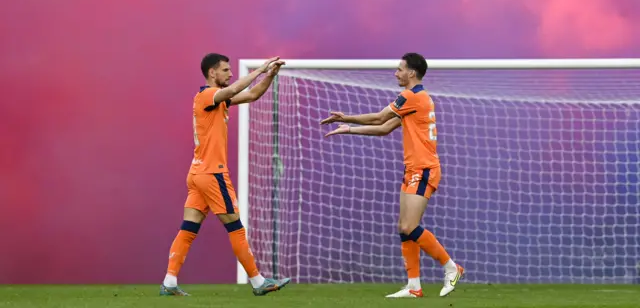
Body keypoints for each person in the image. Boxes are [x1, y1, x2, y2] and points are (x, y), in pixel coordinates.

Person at [321, 53, 463, 298]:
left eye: (400, 69)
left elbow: (379, 117)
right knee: (403, 228)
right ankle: (413, 286)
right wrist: (350, 130)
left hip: (424, 168)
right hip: (412, 169)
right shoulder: (418, 99)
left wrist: (346, 117)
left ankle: (451, 267)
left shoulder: (411, 96)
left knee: (410, 225)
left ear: (411, 73)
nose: (396, 73)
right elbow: (385, 128)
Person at [160, 54, 290, 297]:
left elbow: (251, 95)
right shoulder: (208, 95)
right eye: (225, 70)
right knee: (236, 227)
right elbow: (237, 88)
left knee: (188, 229)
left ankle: (169, 282)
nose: (230, 74)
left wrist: (270, 75)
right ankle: (258, 281)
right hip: (212, 174)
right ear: (212, 73)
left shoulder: (217, 100)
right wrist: (261, 69)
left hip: (197, 173)